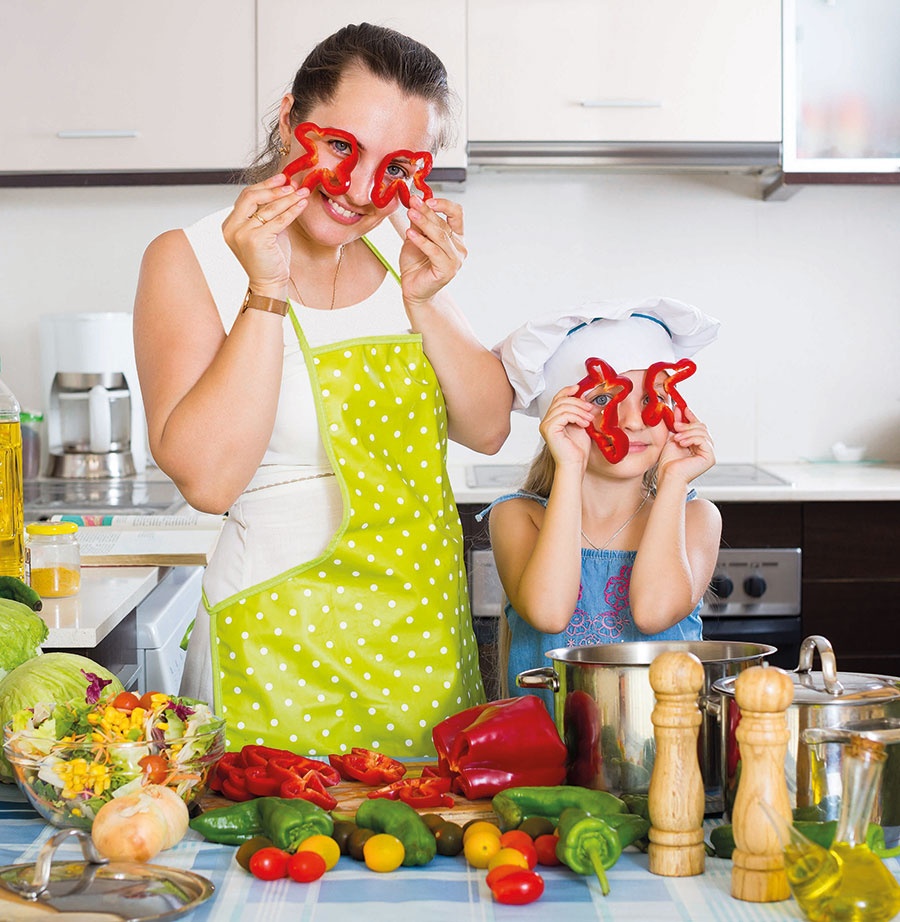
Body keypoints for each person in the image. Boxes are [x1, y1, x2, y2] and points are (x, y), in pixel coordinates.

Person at [132, 23, 512, 757]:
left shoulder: (401, 261)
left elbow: (490, 425)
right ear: (289, 119)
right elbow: (208, 480)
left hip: (419, 651)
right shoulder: (192, 260)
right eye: (340, 147)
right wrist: (265, 290)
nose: (362, 190)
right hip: (275, 650)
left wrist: (426, 300)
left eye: (394, 164)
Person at [480, 298, 722, 703]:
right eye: (603, 401)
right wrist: (570, 466)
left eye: (650, 399)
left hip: (662, 749)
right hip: (547, 751)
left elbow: (652, 613)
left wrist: (674, 480)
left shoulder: (695, 516)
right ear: (563, 413)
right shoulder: (518, 515)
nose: (632, 421)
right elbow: (550, 614)